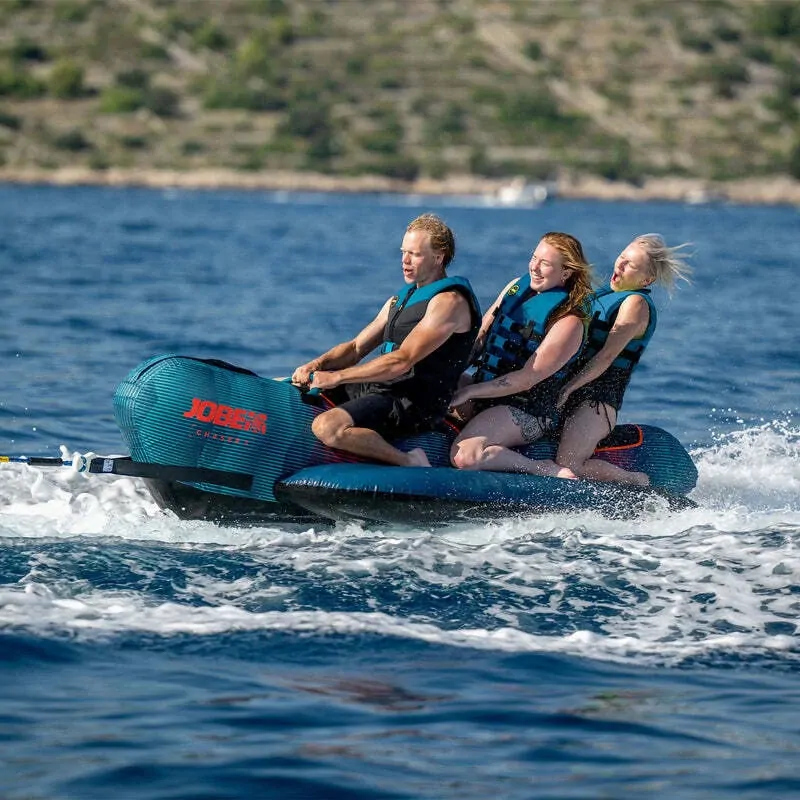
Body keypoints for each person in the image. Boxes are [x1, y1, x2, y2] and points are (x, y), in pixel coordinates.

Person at [291, 213, 482, 467]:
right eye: (403, 252)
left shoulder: (449, 303)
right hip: (382, 388)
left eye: (414, 254)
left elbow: (403, 360)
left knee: (328, 427)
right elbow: (355, 348)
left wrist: (337, 377)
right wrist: (316, 365)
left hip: (414, 402)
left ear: (439, 257)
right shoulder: (401, 299)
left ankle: (409, 460)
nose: (405, 260)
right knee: (296, 388)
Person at [448, 232, 594, 478]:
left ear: (566, 272)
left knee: (464, 457)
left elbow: (527, 379)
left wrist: (470, 391)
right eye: (534, 258)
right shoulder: (515, 287)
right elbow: (480, 337)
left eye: (545, 263)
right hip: (485, 389)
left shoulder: (569, 321)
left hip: (527, 409)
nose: (534, 267)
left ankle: (541, 467)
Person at [553, 233, 692, 486]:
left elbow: (606, 356)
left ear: (646, 280)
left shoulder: (635, 303)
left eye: (631, 265)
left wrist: (568, 389)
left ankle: (635, 480)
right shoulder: (601, 294)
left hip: (597, 399)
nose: (620, 264)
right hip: (567, 386)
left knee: (569, 463)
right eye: (622, 257)